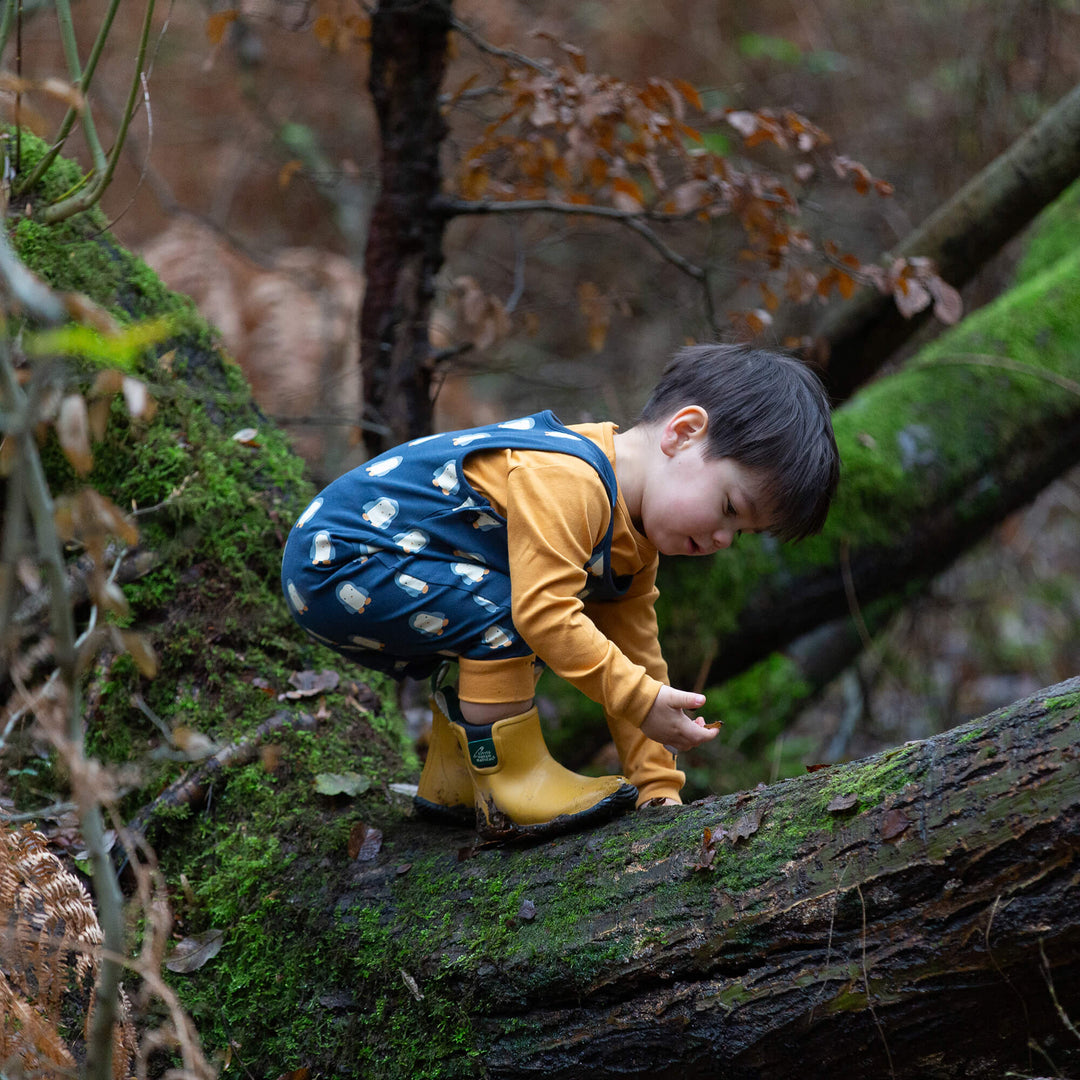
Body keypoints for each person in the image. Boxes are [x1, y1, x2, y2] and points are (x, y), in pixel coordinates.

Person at [280, 343, 840, 840]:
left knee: (513, 612)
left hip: (380, 571)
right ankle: (512, 782)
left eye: (741, 535)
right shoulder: (570, 478)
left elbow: (636, 660)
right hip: (343, 559)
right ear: (683, 432)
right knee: (525, 613)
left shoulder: (632, 541)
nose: (722, 539)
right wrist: (640, 701)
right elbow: (545, 616)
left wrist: (658, 788)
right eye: (729, 509)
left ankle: (453, 777)